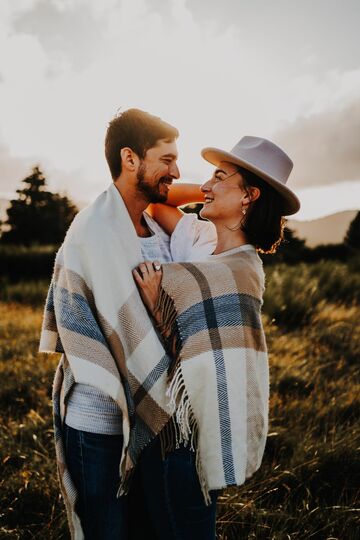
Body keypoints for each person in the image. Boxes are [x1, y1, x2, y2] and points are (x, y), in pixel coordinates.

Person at [39, 108, 203, 539]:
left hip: (151, 418)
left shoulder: (157, 227)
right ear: (130, 159)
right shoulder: (93, 231)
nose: (175, 170)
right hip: (98, 424)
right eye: (166, 159)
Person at [132, 136, 300, 539]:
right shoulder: (200, 238)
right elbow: (159, 201)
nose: (205, 185)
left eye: (220, 176)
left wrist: (160, 307)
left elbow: (197, 357)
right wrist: (211, 189)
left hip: (190, 439)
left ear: (250, 196)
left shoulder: (241, 271)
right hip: (160, 426)